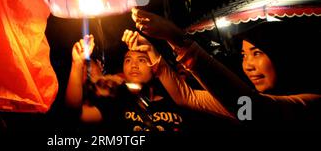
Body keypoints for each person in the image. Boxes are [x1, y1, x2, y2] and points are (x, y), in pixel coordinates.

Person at [130, 7, 321, 129]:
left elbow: (255, 110)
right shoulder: (247, 99)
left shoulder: (311, 103)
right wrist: (151, 52)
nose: (248, 66)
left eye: (257, 53)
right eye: (244, 55)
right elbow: (187, 97)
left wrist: (177, 38)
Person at [65, 34, 189, 132]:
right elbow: (75, 115)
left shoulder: (179, 100)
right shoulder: (117, 102)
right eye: (128, 60)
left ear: (155, 66)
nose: (133, 65)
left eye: (141, 60)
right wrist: (77, 64)